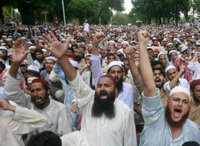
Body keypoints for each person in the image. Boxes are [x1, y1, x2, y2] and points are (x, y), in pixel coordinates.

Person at [41, 31, 137, 146]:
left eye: (107, 86)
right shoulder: (90, 100)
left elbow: (130, 142)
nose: (102, 88)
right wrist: (62, 58)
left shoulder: (125, 112)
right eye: (99, 85)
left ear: (116, 91)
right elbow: (76, 81)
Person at [137, 30, 199, 146]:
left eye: (185, 102)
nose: (180, 104)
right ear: (167, 103)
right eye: (176, 100)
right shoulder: (154, 119)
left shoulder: (194, 130)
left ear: (188, 107)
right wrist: (142, 44)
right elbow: (149, 87)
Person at [4, 39, 73, 140]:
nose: (35, 94)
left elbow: (66, 137)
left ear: (48, 91)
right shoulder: (28, 102)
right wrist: (15, 64)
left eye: (39, 90)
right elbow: (11, 91)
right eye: (32, 91)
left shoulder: (60, 109)